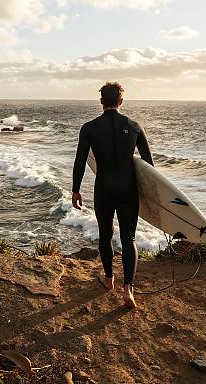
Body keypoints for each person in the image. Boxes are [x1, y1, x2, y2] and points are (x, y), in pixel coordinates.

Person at [71, 81, 154, 308]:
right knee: (129, 238)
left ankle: (109, 279)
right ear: (120, 101)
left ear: (101, 102)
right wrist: (153, 198)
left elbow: (80, 161)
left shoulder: (89, 128)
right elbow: (149, 166)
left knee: (105, 234)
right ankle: (128, 289)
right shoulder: (135, 126)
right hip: (128, 189)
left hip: (104, 188)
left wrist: (75, 190)